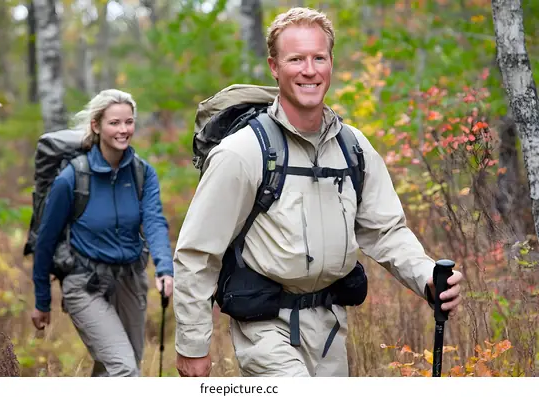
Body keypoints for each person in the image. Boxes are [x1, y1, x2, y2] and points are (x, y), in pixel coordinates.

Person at [172, 7, 463, 377]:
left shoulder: (352, 147)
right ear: (274, 66)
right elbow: (198, 253)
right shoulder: (242, 152)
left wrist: (424, 275)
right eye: (296, 59)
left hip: (330, 329)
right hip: (266, 329)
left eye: (318, 58)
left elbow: (386, 231)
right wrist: (193, 345)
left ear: (330, 63)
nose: (309, 70)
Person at [30, 89, 174, 377]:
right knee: (124, 370)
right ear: (96, 126)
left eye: (129, 122)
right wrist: (42, 300)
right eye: (114, 123)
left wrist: (164, 267)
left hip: (130, 281)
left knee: (114, 369)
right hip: (85, 284)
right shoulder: (73, 177)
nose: (123, 130)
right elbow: (45, 240)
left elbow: (154, 220)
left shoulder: (142, 173)